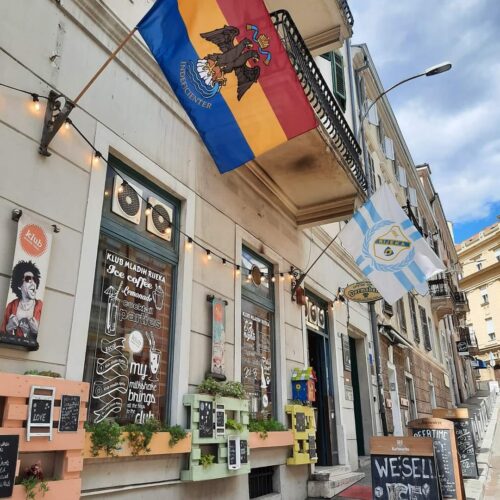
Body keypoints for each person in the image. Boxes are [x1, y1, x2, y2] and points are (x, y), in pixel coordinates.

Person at [1, 260, 43, 338]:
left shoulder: (40, 306)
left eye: (35, 279)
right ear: (19, 285)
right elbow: (3, 334)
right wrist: (8, 328)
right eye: (28, 279)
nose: (33, 283)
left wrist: (36, 331)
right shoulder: (11, 306)